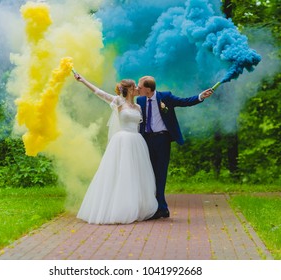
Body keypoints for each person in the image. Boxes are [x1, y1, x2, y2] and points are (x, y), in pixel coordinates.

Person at [73, 72, 158, 224]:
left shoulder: (139, 105)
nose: (138, 88)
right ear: (130, 89)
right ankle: (119, 208)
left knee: (136, 175)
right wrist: (83, 80)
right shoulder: (118, 102)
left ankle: (136, 206)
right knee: (121, 173)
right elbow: (99, 92)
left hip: (137, 142)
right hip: (122, 141)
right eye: (135, 87)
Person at [136, 76, 214, 220]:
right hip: (146, 140)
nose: (137, 89)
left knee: (160, 174)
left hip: (163, 140)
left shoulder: (165, 96)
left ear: (148, 88)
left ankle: (162, 208)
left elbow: (184, 102)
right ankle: (154, 208)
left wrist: (200, 96)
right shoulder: (139, 100)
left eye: (139, 87)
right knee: (149, 174)